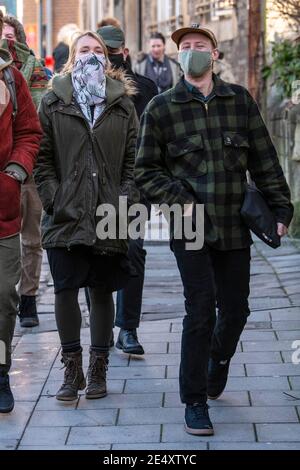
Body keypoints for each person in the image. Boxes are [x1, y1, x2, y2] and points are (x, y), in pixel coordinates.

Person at [135, 24, 294, 436]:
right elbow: (145, 172)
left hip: (232, 224)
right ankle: (194, 401)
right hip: (189, 228)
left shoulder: (238, 100)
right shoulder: (161, 108)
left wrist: (281, 207)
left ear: (215, 54)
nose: (191, 52)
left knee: (237, 309)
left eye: (199, 47)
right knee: (200, 310)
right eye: (185, 48)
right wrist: (180, 199)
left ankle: (218, 362)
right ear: (178, 57)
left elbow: (264, 158)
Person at [34, 31, 138, 402]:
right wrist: (54, 199)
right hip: (65, 212)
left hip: (108, 212)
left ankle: (98, 368)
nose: (90, 55)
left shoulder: (122, 105)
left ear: (107, 57)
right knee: (64, 289)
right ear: (71, 57)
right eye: (84, 50)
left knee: (101, 290)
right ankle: (71, 366)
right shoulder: (53, 101)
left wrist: (123, 201)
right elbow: (41, 158)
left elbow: (132, 161)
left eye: (97, 50)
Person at [98, 25, 158, 355]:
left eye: (113, 51)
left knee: (132, 249)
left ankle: (128, 328)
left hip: (134, 185)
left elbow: (156, 139)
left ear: (125, 52)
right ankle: (102, 325)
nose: (108, 59)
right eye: (101, 52)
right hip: (93, 185)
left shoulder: (145, 89)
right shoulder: (83, 89)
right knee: (98, 252)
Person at [0, 10, 42, 413]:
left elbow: (30, 130)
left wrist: (15, 172)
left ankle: (0, 371)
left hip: (2, 210)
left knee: (2, 299)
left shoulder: (11, 77)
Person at [1, 14, 49, 328]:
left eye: (8, 33)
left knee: (31, 237)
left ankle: (29, 297)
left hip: (26, 168)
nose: (4, 38)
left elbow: (37, 115)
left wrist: (18, 168)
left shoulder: (30, 70)